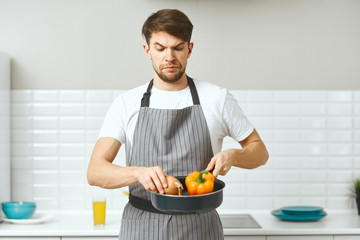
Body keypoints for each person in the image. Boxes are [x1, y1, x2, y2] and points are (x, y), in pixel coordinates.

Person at [87, 9, 269, 240]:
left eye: (177, 47)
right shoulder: (126, 103)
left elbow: (260, 153)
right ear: (147, 50)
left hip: (200, 228)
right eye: (160, 48)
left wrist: (234, 155)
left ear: (189, 49)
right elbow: (95, 172)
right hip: (141, 228)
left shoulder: (217, 97)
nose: (169, 57)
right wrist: (138, 173)